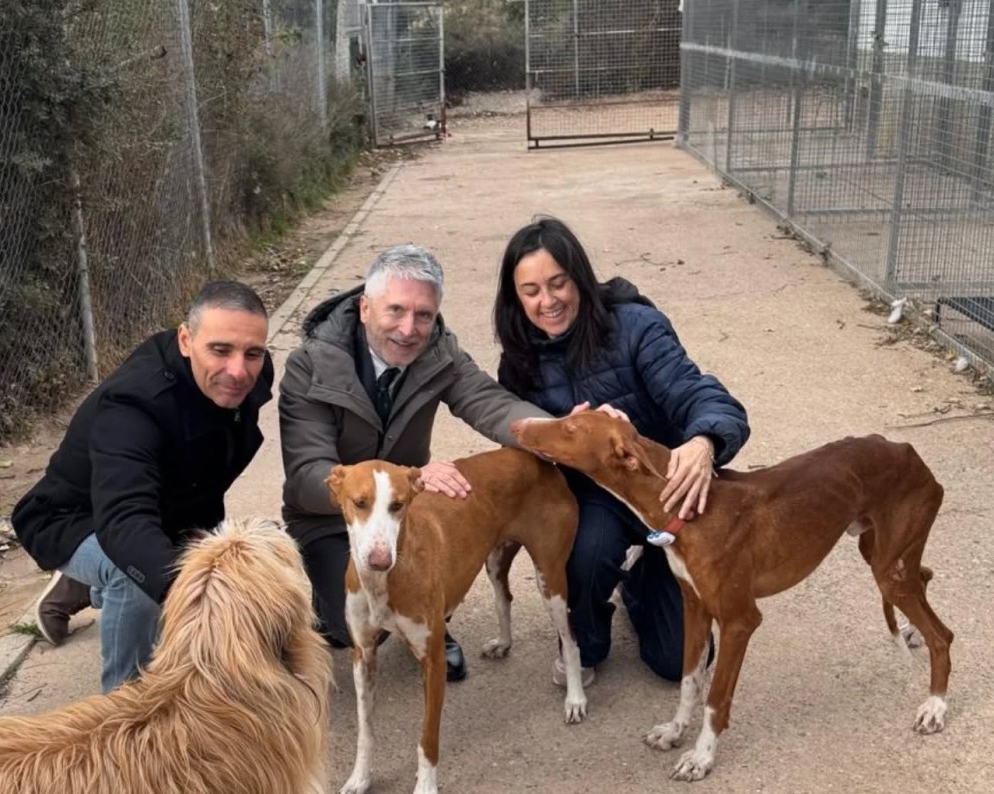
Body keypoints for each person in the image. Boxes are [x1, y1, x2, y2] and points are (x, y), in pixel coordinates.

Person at [493, 216, 750, 686]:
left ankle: (644, 577)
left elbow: (701, 395)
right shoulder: (519, 362)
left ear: (580, 279)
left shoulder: (636, 326)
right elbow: (525, 447)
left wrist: (704, 441)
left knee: (677, 663)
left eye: (558, 283)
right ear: (515, 297)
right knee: (587, 551)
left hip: (663, 486)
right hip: (595, 493)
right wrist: (568, 434)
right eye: (531, 291)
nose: (547, 301)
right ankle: (584, 638)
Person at [279, 243, 551, 682]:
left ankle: (428, 621)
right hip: (329, 517)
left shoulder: (439, 353)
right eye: (396, 311)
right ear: (365, 308)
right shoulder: (309, 366)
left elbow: (490, 404)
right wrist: (406, 477)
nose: (409, 329)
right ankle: (319, 603)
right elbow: (308, 475)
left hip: (404, 513)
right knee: (351, 626)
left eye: (423, 315)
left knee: (441, 530)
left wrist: (557, 432)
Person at [12, 280, 274, 693]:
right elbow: (125, 520)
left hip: (167, 507)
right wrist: (194, 596)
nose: (239, 371)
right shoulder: (132, 407)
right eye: (220, 350)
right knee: (137, 579)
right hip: (76, 517)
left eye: (253, 353)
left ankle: (86, 584)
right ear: (186, 340)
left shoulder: (247, 376)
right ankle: (125, 709)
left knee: (231, 562)